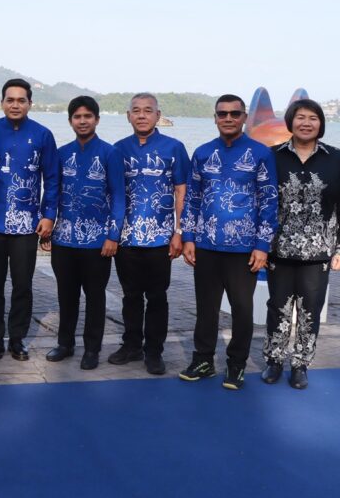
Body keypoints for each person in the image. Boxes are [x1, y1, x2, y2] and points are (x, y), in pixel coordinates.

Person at [179, 94, 278, 390]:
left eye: (235, 113)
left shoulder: (261, 153)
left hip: (244, 249)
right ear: (215, 118)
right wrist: (188, 237)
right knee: (206, 308)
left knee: (242, 309)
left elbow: (269, 201)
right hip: (206, 246)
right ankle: (203, 360)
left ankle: (236, 364)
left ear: (244, 117)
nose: (228, 118)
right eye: (222, 114)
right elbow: (192, 199)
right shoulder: (203, 153)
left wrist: (262, 245)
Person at [261, 99, 339, 389]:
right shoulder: (272, 156)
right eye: (301, 117)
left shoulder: (335, 158)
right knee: (277, 307)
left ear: (321, 123)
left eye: (313, 118)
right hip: (278, 248)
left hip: (318, 252)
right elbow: (262, 202)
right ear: (291, 122)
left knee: (310, 311)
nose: (306, 123)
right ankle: (274, 360)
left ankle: (300, 364)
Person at [111, 94, 190, 375]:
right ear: (128, 116)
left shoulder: (174, 148)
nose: (142, 116)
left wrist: (179, 232)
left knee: (157, 297)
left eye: (148, 111)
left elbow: (182, 191)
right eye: (136, 111)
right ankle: (131, 345)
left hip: (160, 238)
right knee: (130, 295)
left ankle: (154, 351)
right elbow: (112, 194)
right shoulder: (118, 149)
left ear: (158, 115)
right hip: (127, 237)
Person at [45, 96, 125, 370]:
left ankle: (92, 348)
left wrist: (113, 235)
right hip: (64, 239)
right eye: (77, 117)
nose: (82, 121)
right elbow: (52, 191)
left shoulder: (110, 153)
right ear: (70, 121)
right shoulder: (61, 153)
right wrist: (48, 224)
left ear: (97, 120)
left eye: (88, 116)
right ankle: (65, 344)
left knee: (95, 297)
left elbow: (118, 197)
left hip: (97, 242)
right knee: (66, 296)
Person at [0, 78, 58, 362]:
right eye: (10, 100)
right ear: (2, 102)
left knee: (23, 285)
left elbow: (52, 179)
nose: (15, 105)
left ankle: (17, 338)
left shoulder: (43, 135)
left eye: (21, 100)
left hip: (27, 225)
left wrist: (49, 215)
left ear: (30, 103)